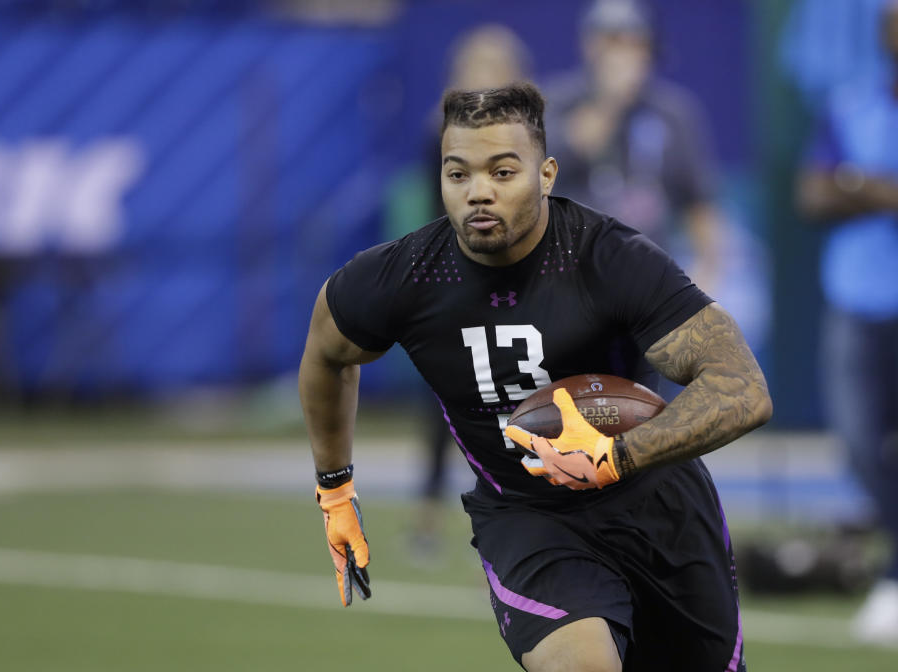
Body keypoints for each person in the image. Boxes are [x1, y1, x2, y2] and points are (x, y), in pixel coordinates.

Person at [299, 83, 771, 671]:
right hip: (528, 518)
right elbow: (326, 353)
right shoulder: (403, 278)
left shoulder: (610, 258)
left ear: (546, 173)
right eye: (458, 174)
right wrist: (336, 489)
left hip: (658, 508)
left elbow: (743, 387)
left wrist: (616, 454)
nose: (478, 193)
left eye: (502, 172)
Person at [408, 24, 534, 560]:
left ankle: (529, 514)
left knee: (523, 401)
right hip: (457, 283)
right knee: (443, 404)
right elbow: (436, 212)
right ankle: (428, 518)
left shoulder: (532, 140)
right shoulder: (436, 137)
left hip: (517, 284)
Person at [795, 0, 898, 645]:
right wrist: (879, 189)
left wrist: (860, 183)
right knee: (860, 445)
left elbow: (843, 184)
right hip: (859, 302)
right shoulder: (852, 102)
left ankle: (893, 577)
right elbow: (813, 192)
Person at [544, 0, 724, 297]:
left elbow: (701, 208)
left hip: (647, 287)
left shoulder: (674, 113)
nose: (624, 56)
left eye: (634, 44)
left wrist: (703, 281)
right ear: (590, 46)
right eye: (613, 43)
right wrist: (611, 100)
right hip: (571, 285)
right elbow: (571, 152)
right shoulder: (557, 102)